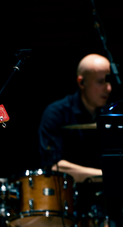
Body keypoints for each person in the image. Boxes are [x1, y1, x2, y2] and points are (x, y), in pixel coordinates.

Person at [38, 53, 112, 183]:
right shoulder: (56, 113)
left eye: (109, 81)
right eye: (101, 82)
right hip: (68, 192)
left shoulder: (110, 115)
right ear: (81, 82)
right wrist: (107, 176)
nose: (108, 88)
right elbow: (53, 166)